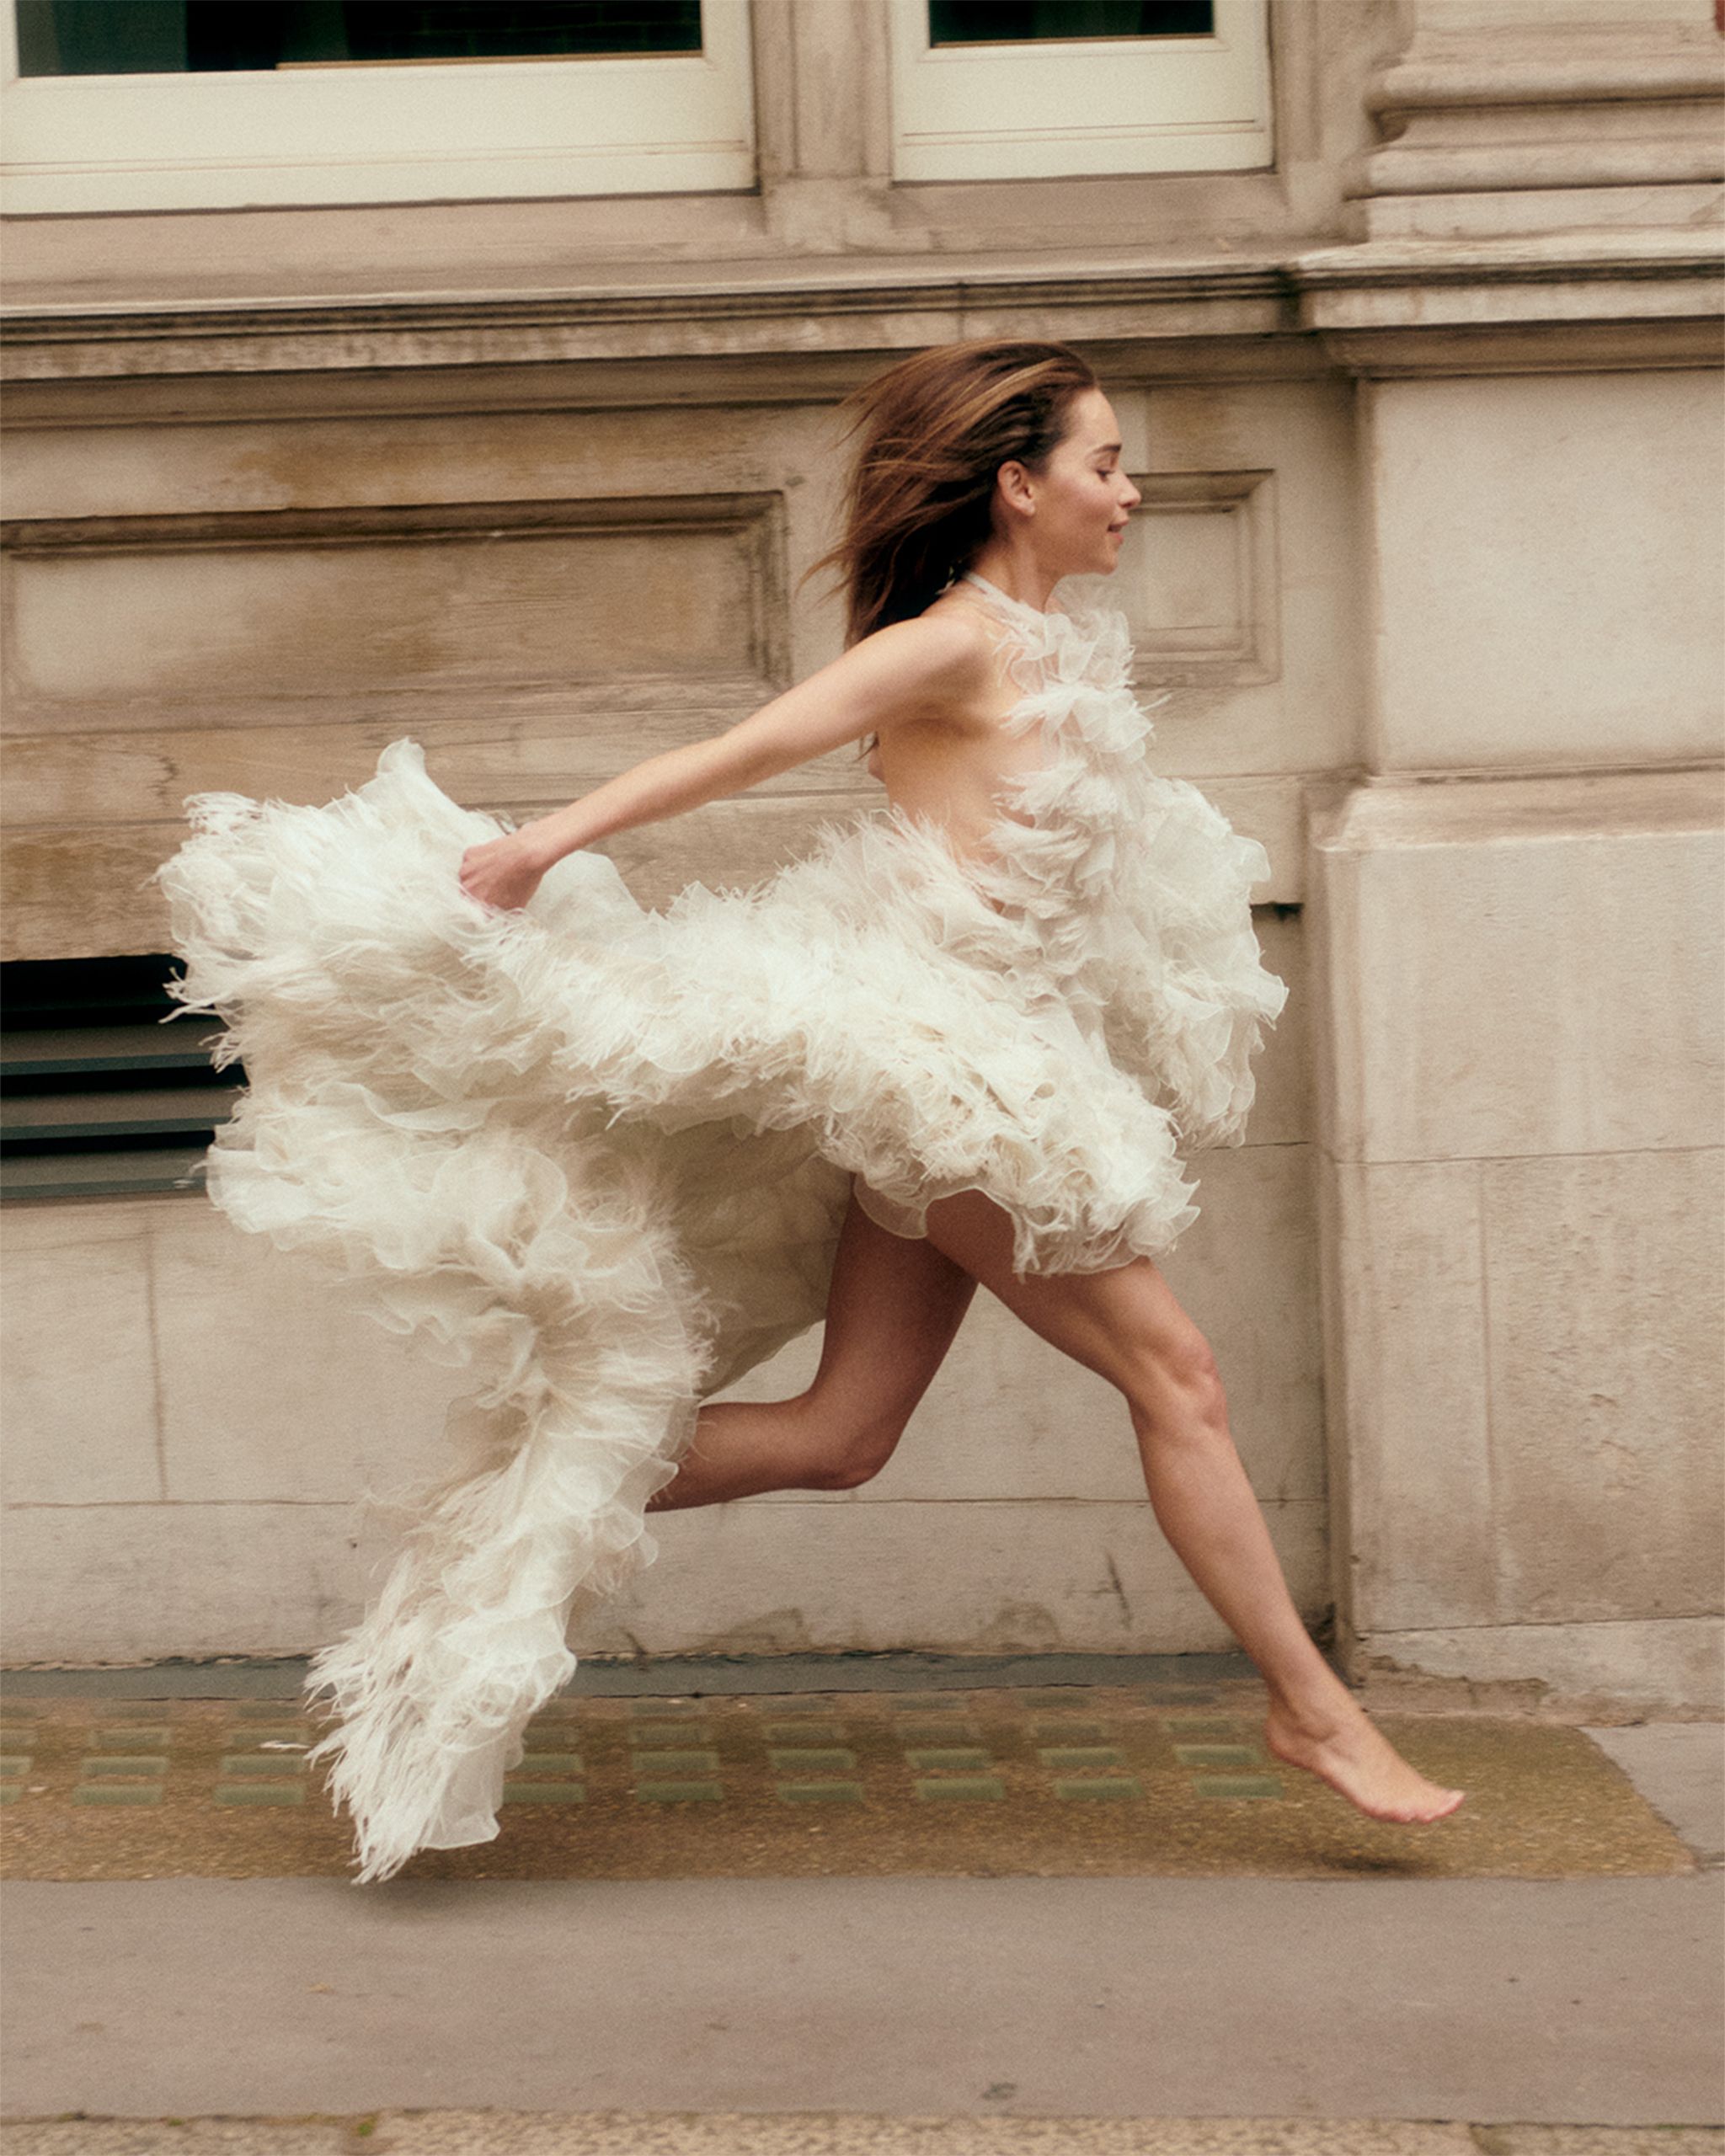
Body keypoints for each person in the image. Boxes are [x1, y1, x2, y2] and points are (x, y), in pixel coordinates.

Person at [158, 339, 1461, 1884]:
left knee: (845, 1436)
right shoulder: (953, 643)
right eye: (1107, 463)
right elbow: (741, 750)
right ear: (1018, 482)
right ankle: (1312, 1713)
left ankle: (537, 1484)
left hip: (988, 1061)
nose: (1133, 490)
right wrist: (533, 853)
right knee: (1180, 1377)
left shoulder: (1058, 647)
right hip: (943, 1077)